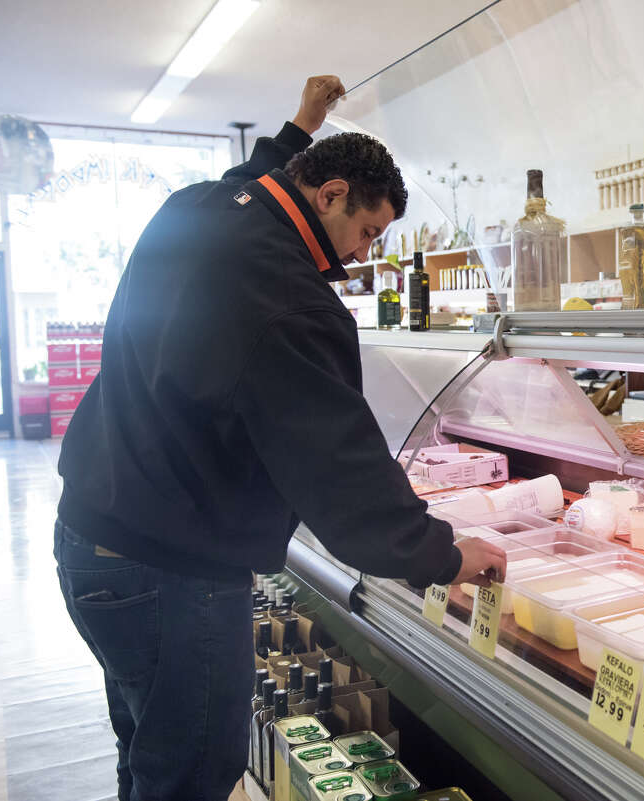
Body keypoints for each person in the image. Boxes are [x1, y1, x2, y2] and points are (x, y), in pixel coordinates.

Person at [53, 76, 506, 801]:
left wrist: (300, 126)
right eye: (367, 232)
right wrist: (442, 555)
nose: (360, 253)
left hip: (91, 538)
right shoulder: (287, 294)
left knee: (147, 754)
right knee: (190, 778)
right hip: (173, 571)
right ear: (330, 195)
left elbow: (253, 183)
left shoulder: (197, 208)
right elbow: (340, 467)